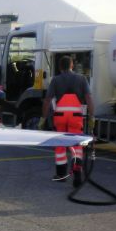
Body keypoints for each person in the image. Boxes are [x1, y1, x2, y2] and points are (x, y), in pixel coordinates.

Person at [39, 55, 94, 186]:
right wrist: (92, 117)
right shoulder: (81, 79)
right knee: (76, 145)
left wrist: (43, 118)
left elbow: (47, 100)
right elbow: (89, 98)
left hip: (60, 115)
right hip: (75, 115)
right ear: (72, 65)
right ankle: (77, 175)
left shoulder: (56, 80)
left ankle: (61, 175)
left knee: (60, 145)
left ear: (59, 67)